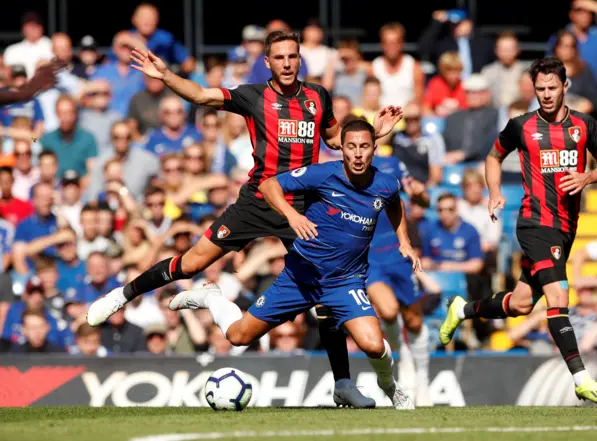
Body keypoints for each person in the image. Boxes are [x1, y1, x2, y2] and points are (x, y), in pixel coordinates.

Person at [87, 30, 402, 408]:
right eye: (279, 57)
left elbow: (336, 140)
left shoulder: (318, 97)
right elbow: (203, 95)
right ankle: (123, 294)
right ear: (267, 62)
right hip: (258, 199)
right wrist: (167, 76)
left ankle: (342, 384)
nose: (287, 63)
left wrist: (376, 133)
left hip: (304, 206)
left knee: (325, 290)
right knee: (192, 263)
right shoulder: (253, 96)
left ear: (299, 59)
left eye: (292, 57)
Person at [169, 119, 419, 409]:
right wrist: (292, 215)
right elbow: (269, 184)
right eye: (351, 146)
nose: (358, 154)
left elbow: (394, 203)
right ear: (342, 150)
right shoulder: (324, 175)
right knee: (238, 336)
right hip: (300, 278)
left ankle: (389, 386)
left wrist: (405, 241)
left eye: (364, 147)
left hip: (344, 282)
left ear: (374, 149)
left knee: (374, 345)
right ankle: (211, 298)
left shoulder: (385, 183)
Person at [439, 57, 597, 404]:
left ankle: (461, 310)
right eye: (540, 89)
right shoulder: (521, 126)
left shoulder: (584, 126)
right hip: (535, 224)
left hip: (565, 229)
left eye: (552, 88)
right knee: (559, 299)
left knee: (521, 305)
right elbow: (493, 156)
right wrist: (493, 192)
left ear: (565, 87)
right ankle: (581, 379)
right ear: (532, 89)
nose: (546, 95)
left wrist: (587, 176)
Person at [366, 144, 432, 405]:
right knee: (389, 311)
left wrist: (420, 193)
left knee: (414, 321)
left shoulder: (393, 163)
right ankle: (401, 355)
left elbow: (422, 200)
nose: (359, 151)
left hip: (398, 250)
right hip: (369, 255)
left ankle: (423, 378)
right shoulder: (344, 171)